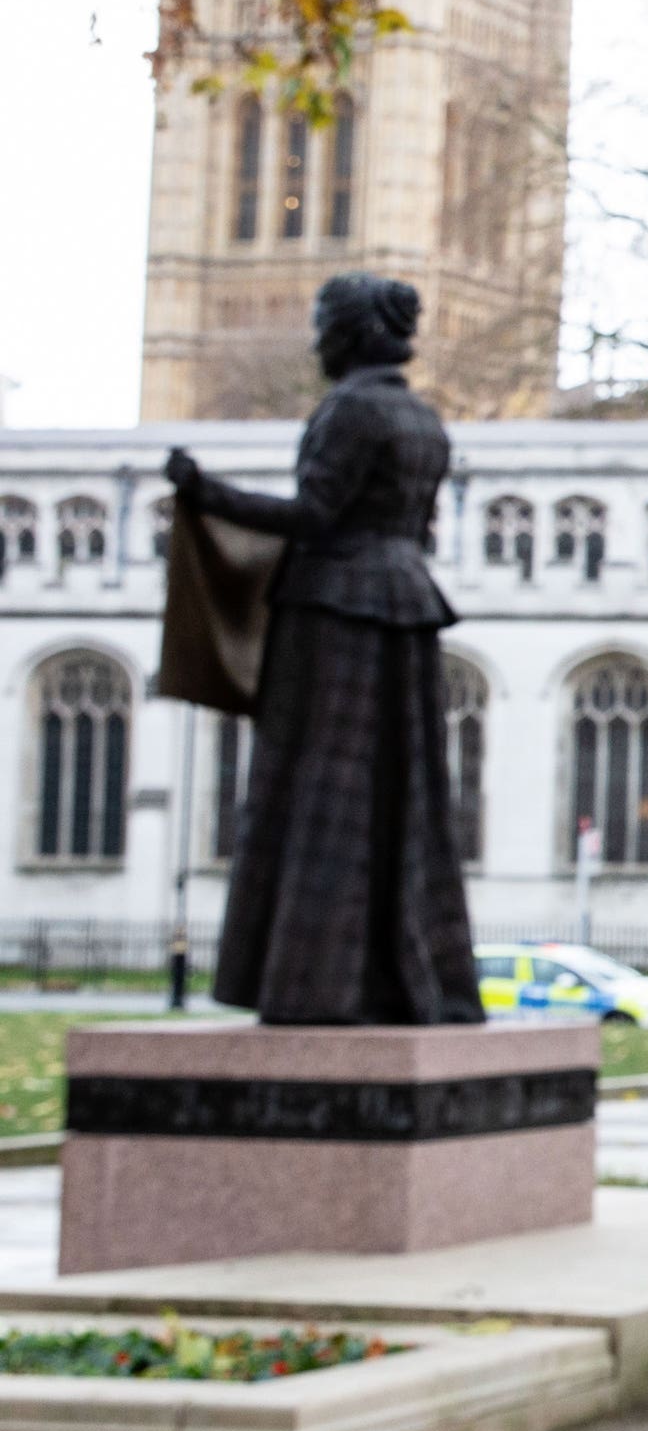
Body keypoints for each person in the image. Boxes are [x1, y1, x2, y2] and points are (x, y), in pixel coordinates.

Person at [163, 274, 481, 1026]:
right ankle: (410, 979)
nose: (315, 340)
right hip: (405, 607)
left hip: (336, 607)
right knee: (401, 796)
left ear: (350, 333)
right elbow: (417, 530)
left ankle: (316, 985)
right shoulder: (422, 419)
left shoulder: (350, 410)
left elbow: (314, 515)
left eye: (322, 325)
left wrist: (206, 493)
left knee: (318, 791)